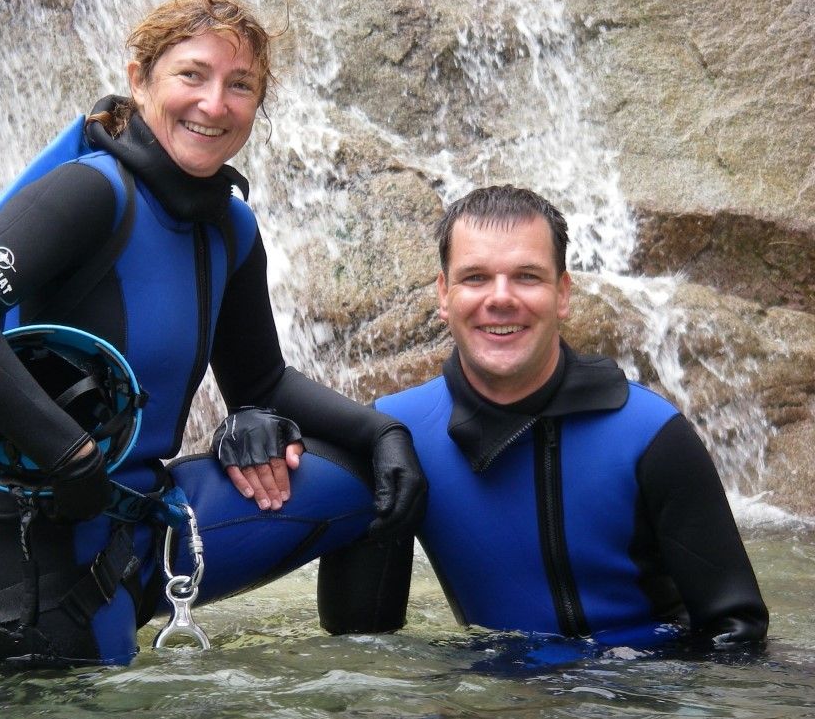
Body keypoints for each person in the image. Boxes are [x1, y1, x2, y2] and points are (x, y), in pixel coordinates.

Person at [0, 0, 425, 665]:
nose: (214, 103)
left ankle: (370, 696)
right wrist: (68, 456)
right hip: (37, 534)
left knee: (379, 485)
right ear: (139, 78)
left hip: (150, 518)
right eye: (192, 75)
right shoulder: (90, 191)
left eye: (241, 86)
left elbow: (260, 379)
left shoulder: (230, 228)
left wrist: (385, 434)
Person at [317, 184, 768, 651]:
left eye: (527, 276)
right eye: (475, 278)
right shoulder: (393, 436)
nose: (501, 297)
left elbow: (738, 635)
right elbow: (359, 646)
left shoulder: (651, 433)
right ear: (444, 294)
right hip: (488, 705)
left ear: (563, 293)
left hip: (642, 696)